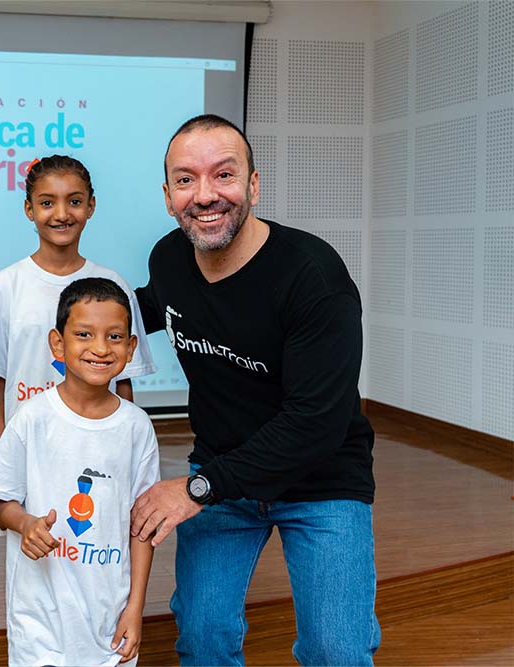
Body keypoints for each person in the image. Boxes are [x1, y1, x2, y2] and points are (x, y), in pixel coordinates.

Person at [130, 114, 379, 666]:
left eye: (224, 175)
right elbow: (156, 304)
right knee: (203, 639)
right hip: (226, 472)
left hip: (322, 481)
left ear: (253, 184)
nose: (206, 195)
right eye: (187, 179)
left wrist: (195, 490)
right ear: (168, 193)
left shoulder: (312, 277)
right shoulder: (169, 258)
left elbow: (315, 424)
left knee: (336, 652)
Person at [0, 277, 160, 667]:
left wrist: (135, 608)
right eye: (84, 334)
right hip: (40, 624)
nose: (99, 348)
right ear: (58, 344)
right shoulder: (33, 418)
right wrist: (26, 524)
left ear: (131, 348)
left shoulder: (136, 427)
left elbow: (142, 526)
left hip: (109, 623)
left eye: (114, 337)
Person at [0, 155, 155, 454]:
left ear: (91, 206)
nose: (62, 214)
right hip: (28, 454)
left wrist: (124, 453)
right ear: (30, 209)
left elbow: (124, 383)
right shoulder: (1, 289)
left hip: (99, 451)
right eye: (47, 202)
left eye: (74, 202)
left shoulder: (115, 287)